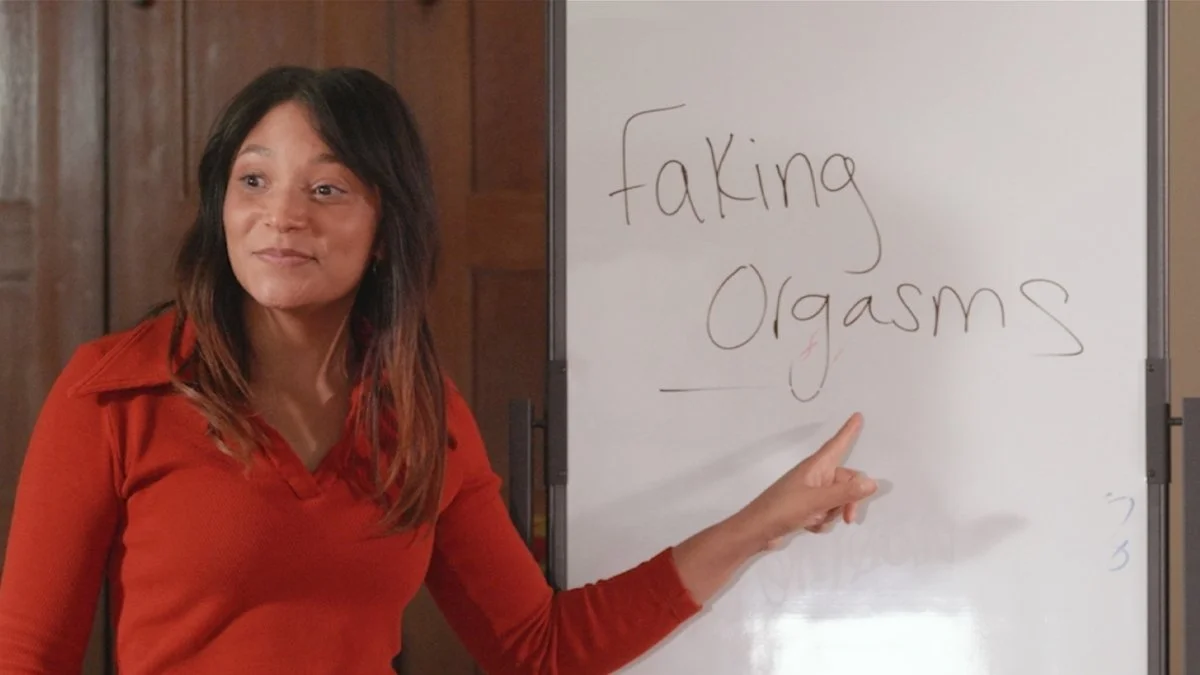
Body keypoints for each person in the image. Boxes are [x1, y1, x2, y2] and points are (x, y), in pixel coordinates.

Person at [0, 65, 878, 675]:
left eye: (328, 188)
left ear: (388, 223)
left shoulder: (421, 413)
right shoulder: (114, 392)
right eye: (253, 181)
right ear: (219, 207)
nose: (282, 217)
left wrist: (765, 520)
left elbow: (540, 650)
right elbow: (27, 658)